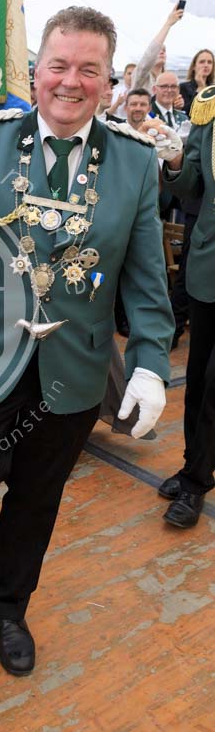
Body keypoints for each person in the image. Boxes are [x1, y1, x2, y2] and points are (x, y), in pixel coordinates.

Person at [0, 6, 174, 676]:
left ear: (109, 80)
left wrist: (149, 364)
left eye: (88, 69)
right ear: (36, 74)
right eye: (58, 65)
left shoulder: (134, 161)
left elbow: (147, 280)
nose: (70, 81)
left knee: (37, 498)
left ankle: (7, 605)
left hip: (74, 366)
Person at [159, 85, 215, 527]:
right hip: (209, 267)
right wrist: (176, 160)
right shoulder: (208, 107)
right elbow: (193, 184)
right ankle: (193, 463)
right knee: (196, 379)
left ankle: (197, 481)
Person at [179, 49, 214, 115]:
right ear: (194, 66)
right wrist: (200, 88)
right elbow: (186, 112)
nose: (206, 65)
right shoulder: (183, 87)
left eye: (209, 62)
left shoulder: (213, 88)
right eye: (202, 62)